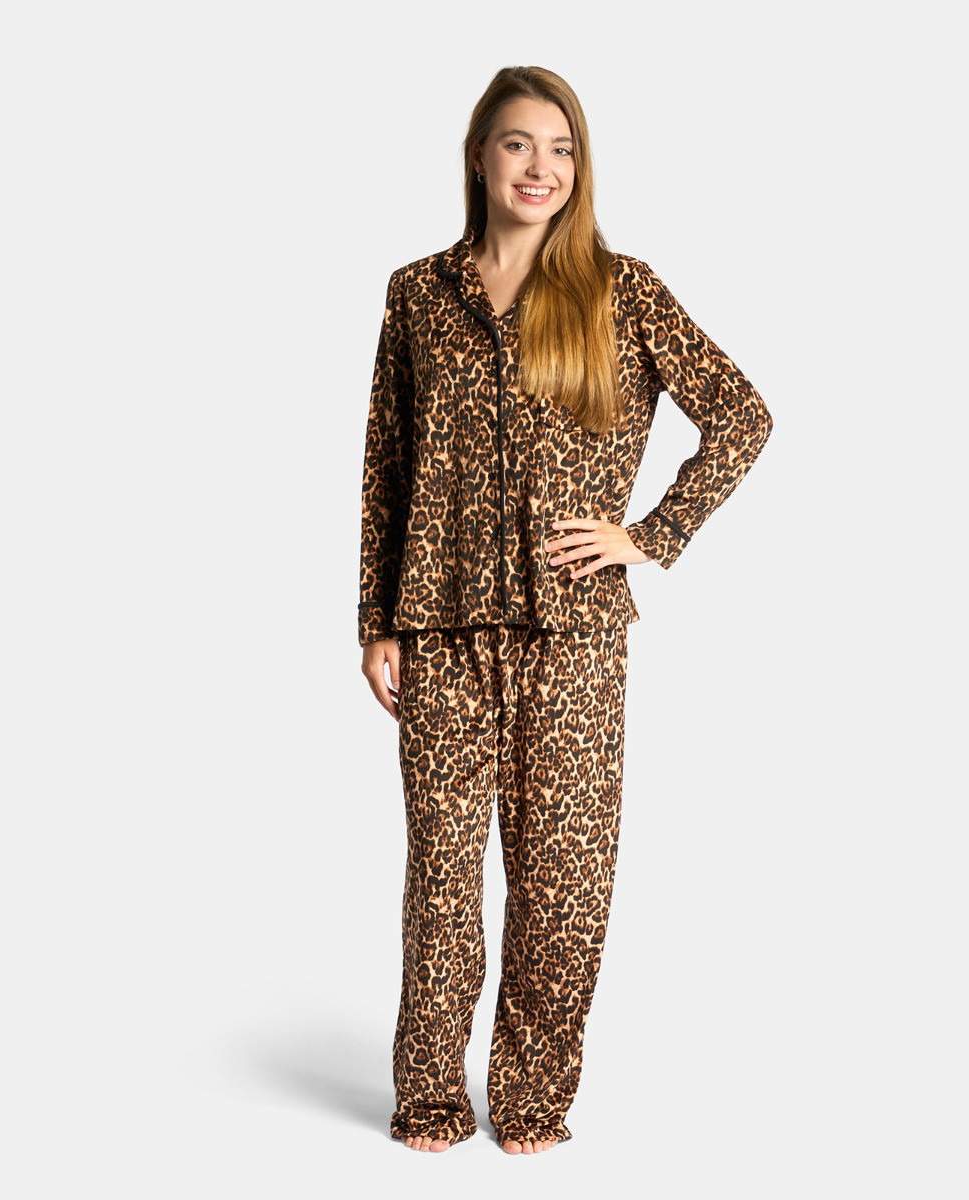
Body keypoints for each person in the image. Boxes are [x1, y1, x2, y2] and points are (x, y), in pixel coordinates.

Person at [358, 65, 774, 1156]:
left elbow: (742, 415)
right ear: (479, 157)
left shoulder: (622, 291)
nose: (540, 167)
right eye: (517, 144)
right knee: (442, 883)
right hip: (441, 631)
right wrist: (376, 618)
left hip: (578, 636)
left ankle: (534, 1099)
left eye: (561, 148)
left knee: (564, 887)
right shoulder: (417, 294)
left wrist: (650, 535)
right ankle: (430, 1097)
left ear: (579, 167)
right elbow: (387, 464)